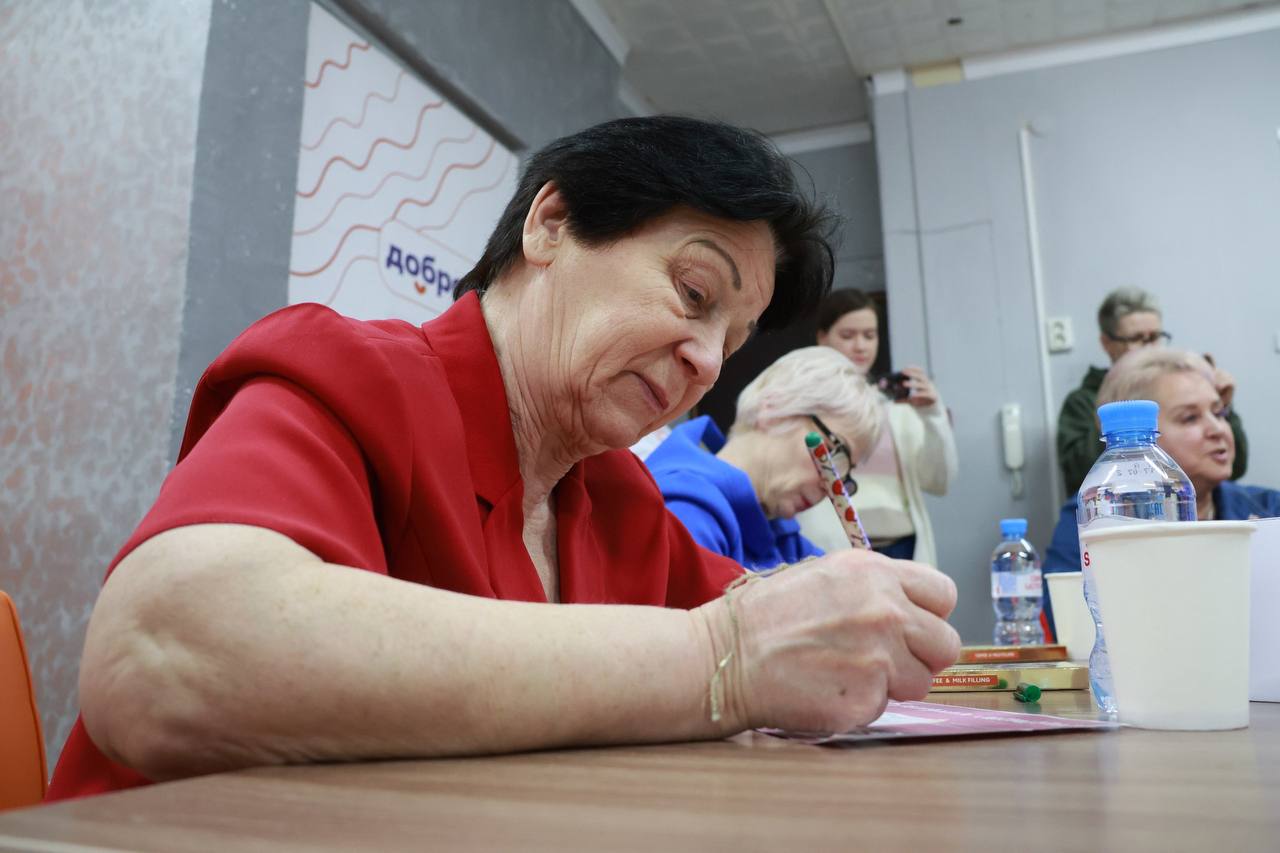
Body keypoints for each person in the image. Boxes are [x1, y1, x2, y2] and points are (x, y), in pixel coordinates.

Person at [49, 116, 961, 799]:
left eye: (731, 341)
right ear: (550, 224)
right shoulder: (352, 376)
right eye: (693, 292)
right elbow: (159, 655)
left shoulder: (614, 496)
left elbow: (775, 620)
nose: (705, 363)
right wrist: (719, 657)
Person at [1043, 347, 1280, 634]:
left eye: (1220, 412)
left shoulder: (1269, 508)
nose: (1217, 429)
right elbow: (1067, 624)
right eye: (1189, 418)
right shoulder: (1094, 513)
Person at [645, 346, 880, 570]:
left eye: (844, 474)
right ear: (774, 408)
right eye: (832, 454)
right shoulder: (686, 513)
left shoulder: (782, 537)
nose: (831, 486)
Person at [804, 288, 957, 565]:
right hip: (836, 550)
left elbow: (938, 481)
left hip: (903, 547)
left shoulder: (896, 406)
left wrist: (933, 415)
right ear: (822, 337)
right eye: (848, 335)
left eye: (870, 335)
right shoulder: (803, 402)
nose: (860, 346)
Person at [1057, 286, 1247, 497]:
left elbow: (1236, 466)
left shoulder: (1189, 384)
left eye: (1156, 337)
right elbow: (1079, 476)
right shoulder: (1082, 402)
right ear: (1107, 343)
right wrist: (1123, 418)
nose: (1150, 348)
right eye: (1137, 338)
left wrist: (1223, 404)